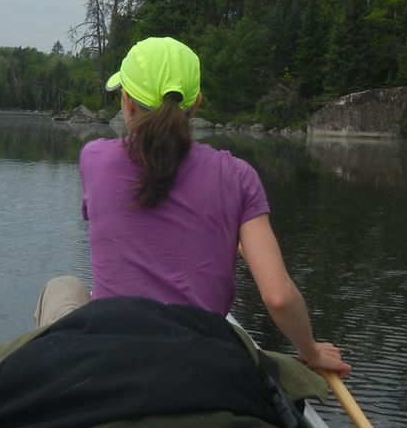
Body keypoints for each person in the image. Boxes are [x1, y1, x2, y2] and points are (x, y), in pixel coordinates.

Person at [37, 36, 350, 377]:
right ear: (196, 104)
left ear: (127, 103)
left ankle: (54, 382)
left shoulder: (94, 158)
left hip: (112, 354)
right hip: (201, 359)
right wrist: (311, 351)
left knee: (62, 287)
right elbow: (278, 297)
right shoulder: (238, 175)